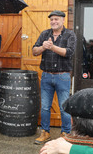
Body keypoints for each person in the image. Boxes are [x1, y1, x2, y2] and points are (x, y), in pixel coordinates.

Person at [32, 10, 76, 145]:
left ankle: (65, 133)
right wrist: (43, 48)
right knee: (45, 107)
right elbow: (34, 51)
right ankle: (45, 132)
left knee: (64, 107)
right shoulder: (45, 34)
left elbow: (69, 52)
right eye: (52, 20)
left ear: (63, 20)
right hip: (46, 75)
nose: (53, 22)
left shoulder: (70, 34)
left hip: (62, 76)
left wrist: (52, 47)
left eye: (56, 19)